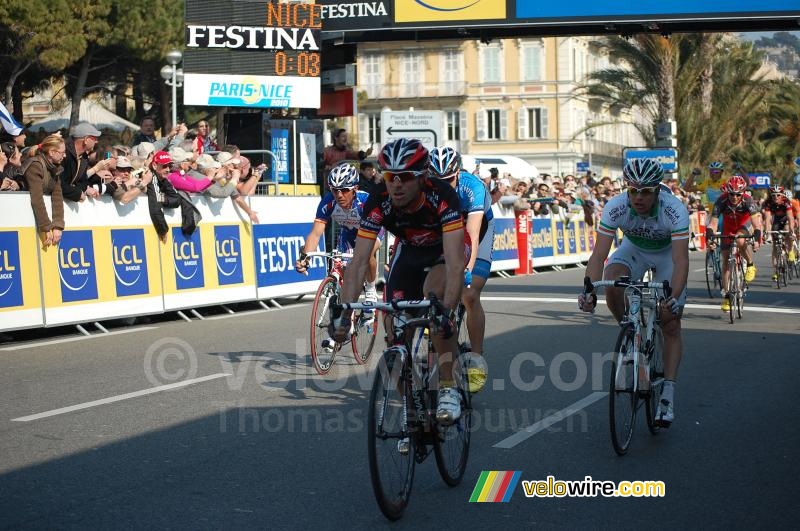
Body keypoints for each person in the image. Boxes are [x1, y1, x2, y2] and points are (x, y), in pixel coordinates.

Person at [332, 139, 466, 427]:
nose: (396, 184)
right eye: (390, 176)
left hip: (443, 253)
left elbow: (456, 264)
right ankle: (412, 408)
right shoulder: (379, 200)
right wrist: (344, 314)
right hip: (409, 254)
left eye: (405, 177)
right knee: (394, 338)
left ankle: (448, 387)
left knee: (435, 302)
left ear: (422, 177)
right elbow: (359, 262)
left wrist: (446, 312)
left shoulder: (442, 195)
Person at [579, 159, 689, 427]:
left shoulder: (674, 209)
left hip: (667, 255)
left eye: (646, 191)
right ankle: (630, 332)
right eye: (633, 190)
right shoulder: (616, 206)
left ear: (657, 191)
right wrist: (589, 291)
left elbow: (680, 261)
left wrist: (673, 298)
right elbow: (599, 256)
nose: (638, 197)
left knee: (670, 322)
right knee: (612, 282)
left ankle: (668, 394)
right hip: (634, 250)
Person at [428, 146, 494, 393]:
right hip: (448, 228)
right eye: (438, 181)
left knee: (469, 293)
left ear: (458, 173)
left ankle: (476, 358)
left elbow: (472, 234)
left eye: (448, 180)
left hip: (478, 230)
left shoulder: (472, 187)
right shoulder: (424, 188)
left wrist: (466, 268)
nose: (443, 185)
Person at [295, 163, 381, 351]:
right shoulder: (329, 202)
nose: (339, 195)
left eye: (344, 190)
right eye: (335, 190)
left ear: (355, 189)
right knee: (342, 274)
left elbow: (374, 238)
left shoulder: (366, 202)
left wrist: (360, 254)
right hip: (348, 234)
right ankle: (340, 328)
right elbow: (315, 233)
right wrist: (305, 257)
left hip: (370, 232)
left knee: (366, 254)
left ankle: (370, 289)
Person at [705, 175, 762, 312]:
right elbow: (713, 224)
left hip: (744, 224)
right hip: (728, 227)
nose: (734, 197)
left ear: (743, 193)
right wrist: (710, 238)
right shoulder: (721, 200)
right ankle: (726, 296)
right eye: (731, 194)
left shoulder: (748, 201)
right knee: (725, 261)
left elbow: (756, 224)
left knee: (740, 239)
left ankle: (750, 264)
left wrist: (757, 240)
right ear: (727, 192)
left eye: (738, 194)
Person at [22, 134, 66, 247]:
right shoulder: (35, 165)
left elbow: (57, 197)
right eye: (62, 152)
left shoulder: (55, 168)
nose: (64, 155)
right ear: (51, 152)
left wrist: (57, 226)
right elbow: (37, 199)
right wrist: (46, 227)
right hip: (25, 219)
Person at [195, 154, 259, 223]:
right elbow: (225, 194)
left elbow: (237, 197)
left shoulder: (222, 179)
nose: (235, 167)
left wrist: (250, 212)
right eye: (232, 164)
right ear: (225, 165)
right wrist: (234, 179)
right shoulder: (198, 177)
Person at [61, 122, 112, 202]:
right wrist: (78, 194)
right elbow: (58, 183)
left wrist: (86, 189)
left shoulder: (84, 157)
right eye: (94, 138)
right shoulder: (63, 152)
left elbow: (82, 182)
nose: (96, 141)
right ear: (86, 140)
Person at [762, 185, 796, 280]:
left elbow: (790, 217)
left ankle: (790, 251)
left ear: (782, 195)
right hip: (777, 220)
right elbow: (767, 218)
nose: (775, 197)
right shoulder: (768, 203)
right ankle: (775, 271)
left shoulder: (786, 202)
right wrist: (767, 232)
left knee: (787, 230)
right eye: (773, 195)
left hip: (786, 219)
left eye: (778, 195)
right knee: (774, 246)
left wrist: (792, 231)